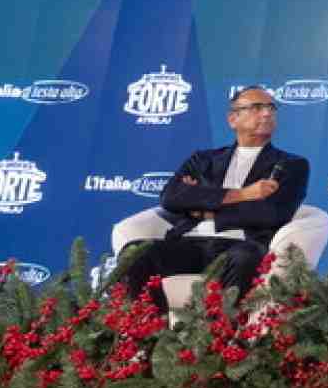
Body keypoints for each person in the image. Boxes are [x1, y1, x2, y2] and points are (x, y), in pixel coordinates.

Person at [118, 85, 309, 311]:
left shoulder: (291, 165)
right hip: (189, 243)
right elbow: (170, 198)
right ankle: (149, 326)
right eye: (257, 107)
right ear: (233, 119)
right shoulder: (202, 160)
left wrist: (203, 208)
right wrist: (245, 194)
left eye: (271, 108)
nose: (267, 113)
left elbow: (273, 213)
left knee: (243, 258)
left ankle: (223, 331)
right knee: (134, 252)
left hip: (240, 245)